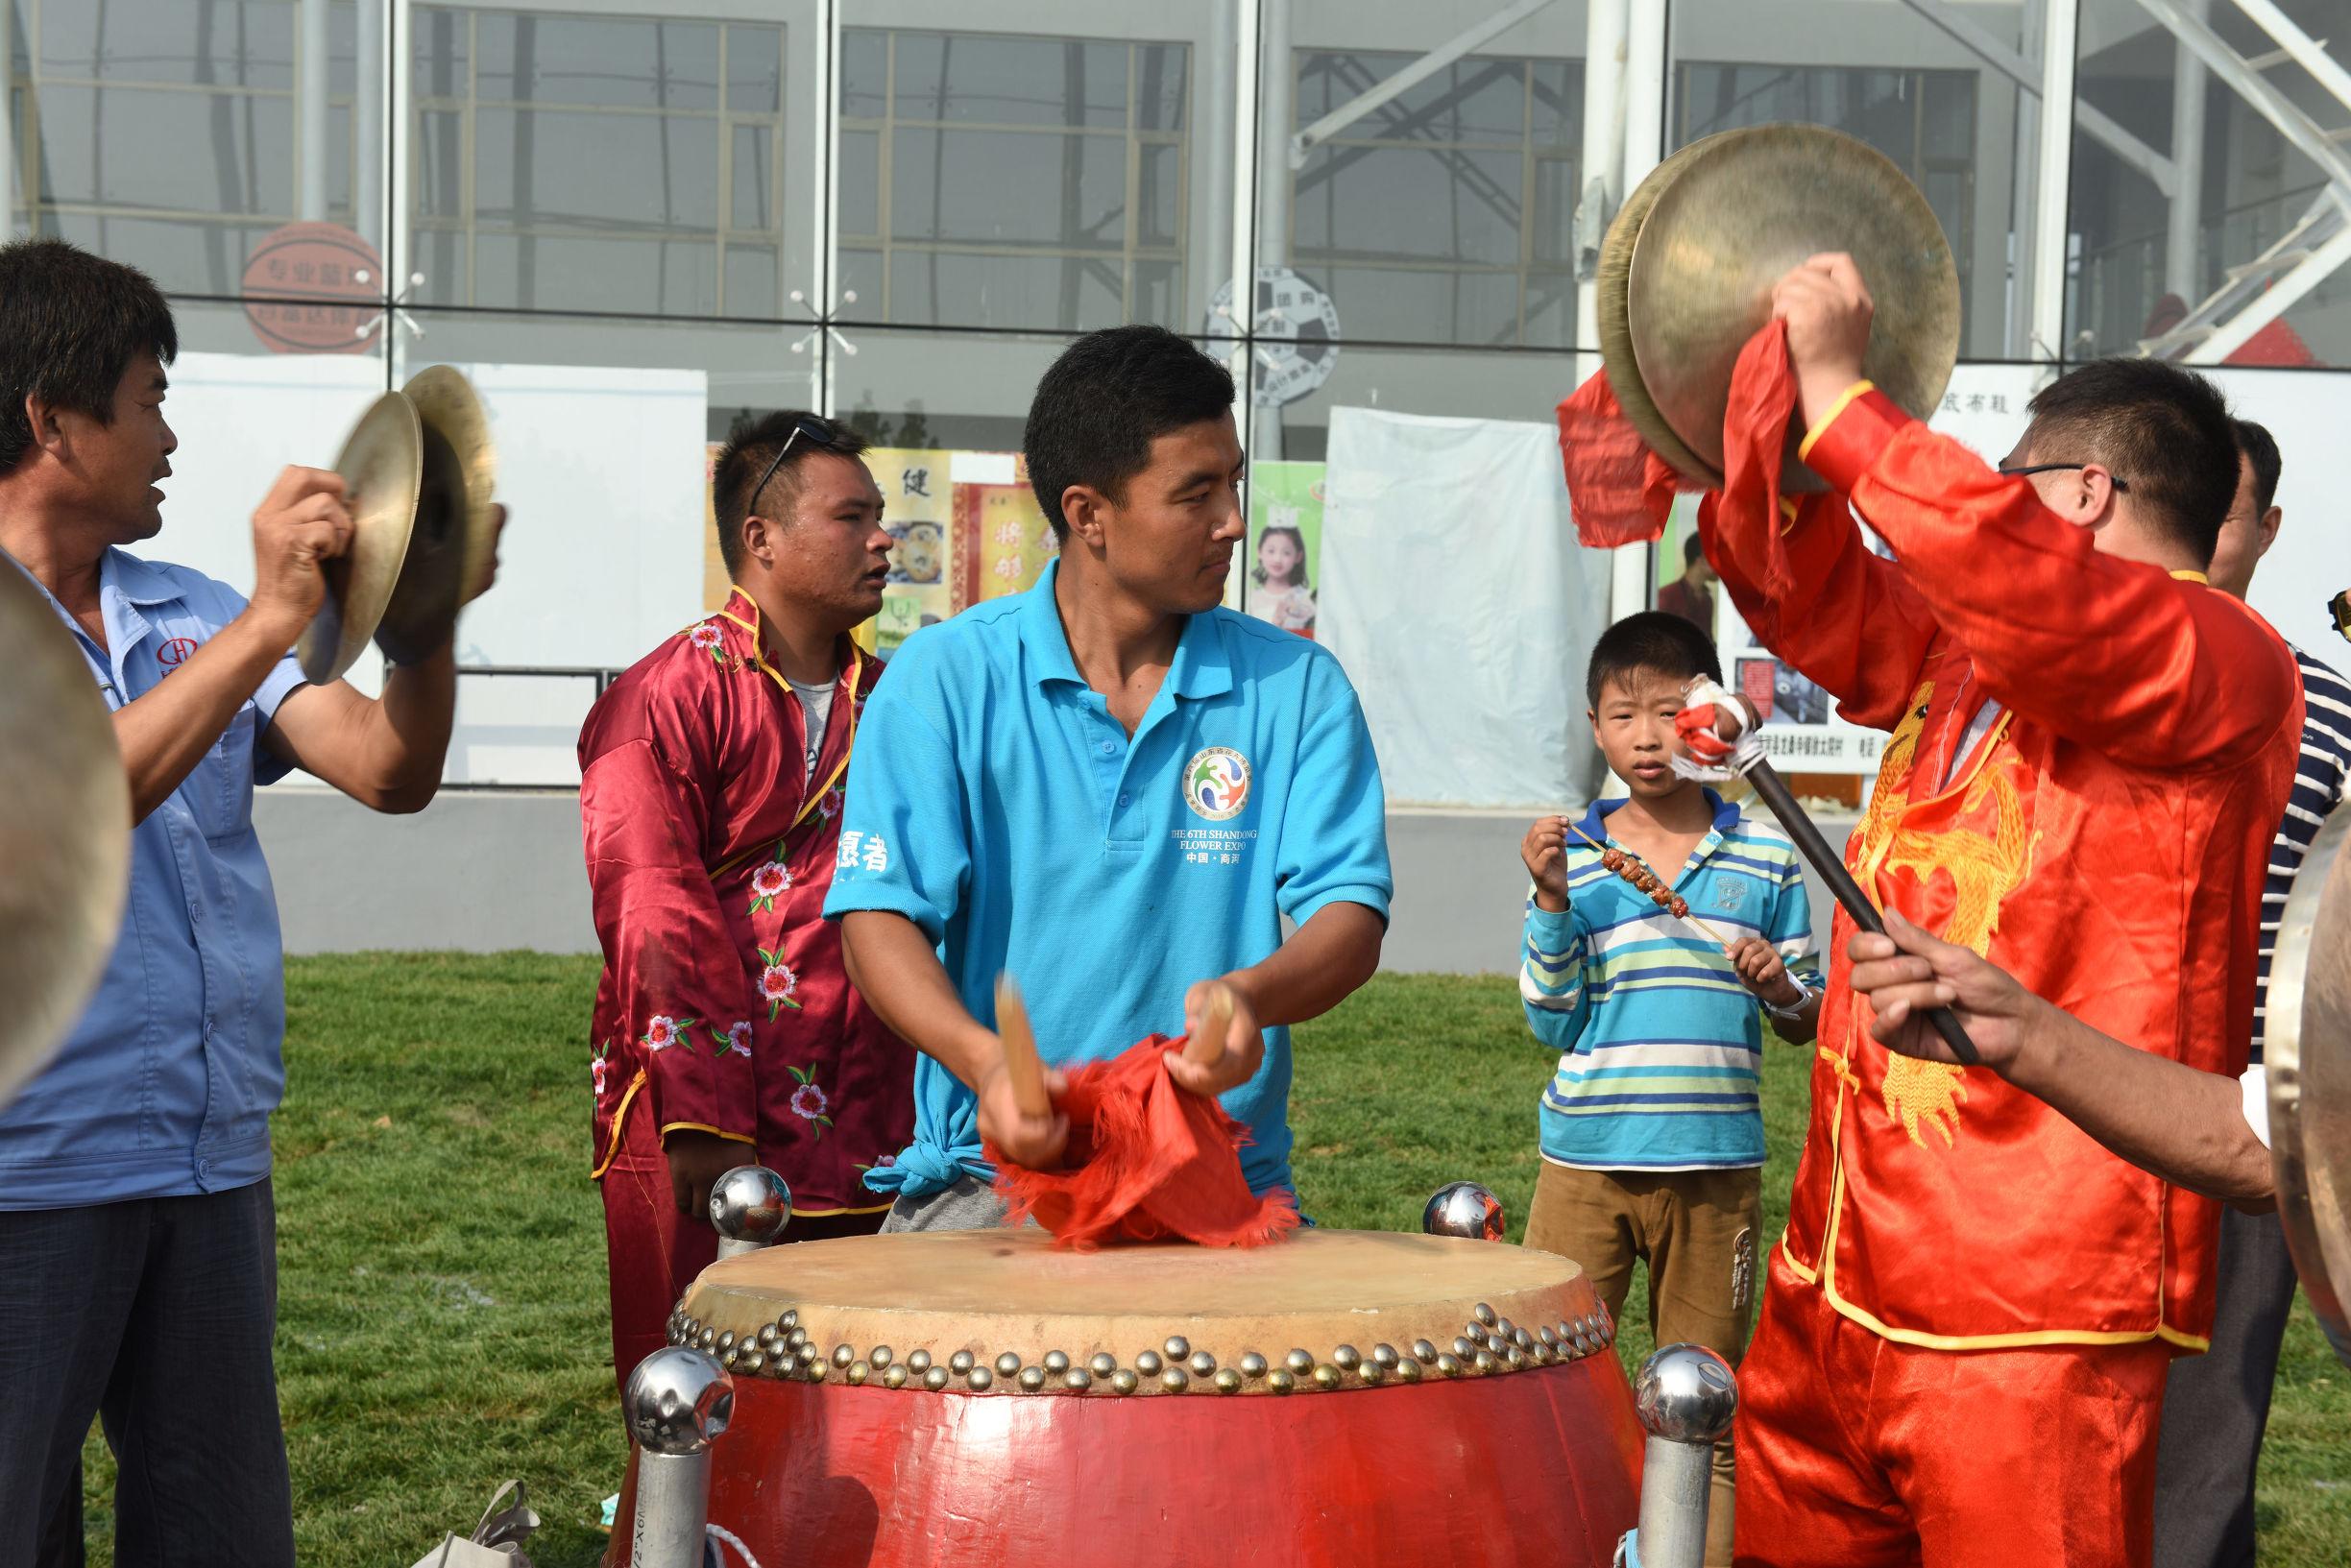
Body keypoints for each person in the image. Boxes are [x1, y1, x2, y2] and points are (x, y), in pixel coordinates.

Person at [1697, 255, 2302, 1568]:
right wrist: (1759, 410)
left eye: (2012, 484)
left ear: (2085, 492)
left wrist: (1851, 397)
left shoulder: (2221, 653)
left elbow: (2027, 583)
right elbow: (1797, 585)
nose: (1972, 515)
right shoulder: (1964, 651)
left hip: (2032, 1309)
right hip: (1843, 1267)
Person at [0, 237, 498, 1567]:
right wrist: (272, 625)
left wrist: (424, 619)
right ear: (53, 418)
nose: (170, 435)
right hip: (30, 1181)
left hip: (211, 1165)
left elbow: (391, 771)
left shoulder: (194, 610)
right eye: (150, 397)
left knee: (221, 1533)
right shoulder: (230, 625)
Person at [823, 324, 1391, 1228]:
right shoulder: (945, 679)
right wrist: (987, 1063)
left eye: (1234, 482)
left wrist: (1253, 995)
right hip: (990, 1188)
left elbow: (1350, 918)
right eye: (1196, 493)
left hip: (1220, 1193)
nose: (1235, 521)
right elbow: (877, 920)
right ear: (1088, 514)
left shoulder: (1298, 685)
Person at [578, 411, 914, 1394]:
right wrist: (702, 1119)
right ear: (760, 539)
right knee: (699, 1391)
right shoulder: (666, 695)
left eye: (881, 517)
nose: (883, 539)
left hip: (873, 1112)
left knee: (859, 1395)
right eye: (852, 517)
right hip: (704, 1117)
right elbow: (653, 900)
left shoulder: (899, 701)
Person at [1517, 611, 1819, 1568]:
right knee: (1551, 1385)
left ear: (1712, 720)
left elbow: (1804, 1014)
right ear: (1596, 727)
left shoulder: (1767, 856)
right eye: (1622, 716)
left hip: (1717, 1170)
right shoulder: (1577, 855)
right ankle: (1566, 1542)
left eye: (1667, 712)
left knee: (1702, 1403)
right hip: (1586, 1167)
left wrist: (1778, 984)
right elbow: (1549, 1019)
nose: (1646, 738)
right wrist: (1552, 902)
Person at [2155, 419, 2350, 1568]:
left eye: (2216, 512)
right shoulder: (2070, 688)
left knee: (2212, 1410)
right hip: (2069, 1084)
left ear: (2266, 529)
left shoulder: (2327, 707)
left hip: (2241, 1099)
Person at [1248, 520, 1317, 637]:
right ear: (1259, 551)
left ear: (1298, 556)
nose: (1277, 559)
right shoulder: (1250, 598)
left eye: (1286, 553)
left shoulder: (1307, 599)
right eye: (1271, 551)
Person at [1657, 530, 1718, 633]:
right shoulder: (1666, 596)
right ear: (1701, 559)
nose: (1720, 564)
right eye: (1715, 557)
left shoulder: (1707, 601)